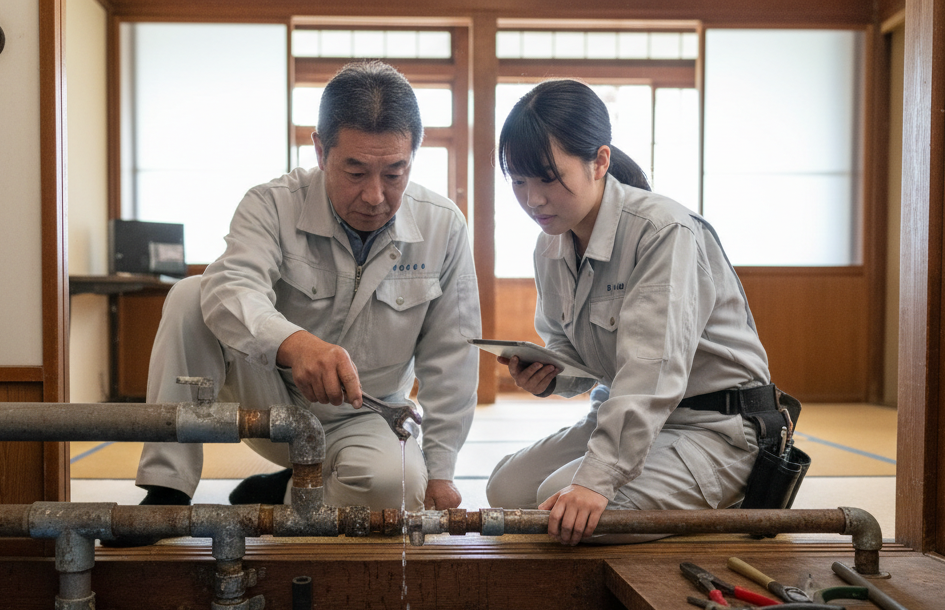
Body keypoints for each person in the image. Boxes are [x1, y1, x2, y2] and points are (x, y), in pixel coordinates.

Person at [131, 62, 480, 536]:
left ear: (413, 157)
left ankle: (289, 491)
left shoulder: (443, 225)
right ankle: (167, 489)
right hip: (269, 401)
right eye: (355, 171)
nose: (375, 195)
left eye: (394, 173)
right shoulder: (272, 204)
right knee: (194, 294)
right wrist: (295, 345)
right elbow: (233, 288)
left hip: (367, 412)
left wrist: (440, 471)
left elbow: (452, 356)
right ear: (320, 151)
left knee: (391, 490)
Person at [485, 79, 784, 546]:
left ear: (599, 161)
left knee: (558, 507)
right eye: (519, 181)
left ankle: (729, 495)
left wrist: (596, 480)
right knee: (506, 490)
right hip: (630, 420)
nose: (533, 199)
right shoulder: (550, 246)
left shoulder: (663, 231)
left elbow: (651, 370)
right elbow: (572, 352)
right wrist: (549, 375)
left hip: (716, 429)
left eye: (548, 178)